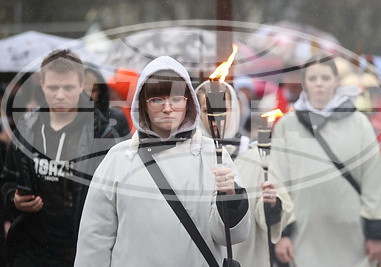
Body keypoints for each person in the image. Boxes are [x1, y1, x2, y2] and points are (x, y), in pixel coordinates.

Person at [74, 56, 250, 266]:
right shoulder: (118, 159)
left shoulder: (213, 154)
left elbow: (231, 235)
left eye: (176, 99)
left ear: (188, 102)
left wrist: (231, 198)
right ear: (143, 104)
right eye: (157, 99)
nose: (168, 108)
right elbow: (95, 239)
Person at [270, 56, 381, 267]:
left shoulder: (359, 124)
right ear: (304, 83)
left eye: (325, 77)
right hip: (304, 235)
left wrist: (376, 232)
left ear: (336, 81)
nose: (319, 83)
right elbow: (278, 181)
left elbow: (374, 180)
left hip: (353, 237)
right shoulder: (286, 126)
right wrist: (281, 233)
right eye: (313, 78)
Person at [0, 49, 118, 266]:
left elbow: (111, 197)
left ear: (82, 84)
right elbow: (7, 179)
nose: (60, 95)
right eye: (53, 87)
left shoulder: (102, 132)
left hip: (78, 248)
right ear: (42, 84)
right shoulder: (26, 127)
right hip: (30, 249)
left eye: (68, 87)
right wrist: (14, 199)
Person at [196, 80, 293, 266]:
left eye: (224, 109)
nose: (216, 117)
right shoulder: (192, 155)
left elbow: (273, 219)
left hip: (247, 256)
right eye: (208, 110)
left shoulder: (255, 155)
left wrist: (271, 204)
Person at [83, 65, 131, 138]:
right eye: (84, 90)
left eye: (93, 90)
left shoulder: (117, 118)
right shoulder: (68, 119)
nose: (89, 95)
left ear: (100, 91)